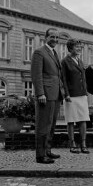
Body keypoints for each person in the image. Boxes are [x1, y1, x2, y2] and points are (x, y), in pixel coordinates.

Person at [31, 28, 65, 164]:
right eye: (52, 37)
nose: (55, 40)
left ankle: (48, 151)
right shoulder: (39, 52)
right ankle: (40, 155)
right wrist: (40, 93)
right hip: (45, 95)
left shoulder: (54, 53)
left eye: (57, 38)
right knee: (43, 125)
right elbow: (36, 75)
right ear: (46, 37)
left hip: (55, 94)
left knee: (51, 125)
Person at [61, 39, 90, 154]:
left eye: (79, 47)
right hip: (71, 95)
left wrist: (85, 91)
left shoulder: (80, 61)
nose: (78, 49)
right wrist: (66, 94)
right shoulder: (65, 61)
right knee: (71, 120)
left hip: (82, 94)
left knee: (83, 120)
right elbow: (63, 79)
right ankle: (72, 143)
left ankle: (83, 143)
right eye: (76, 47)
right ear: (70, 48)